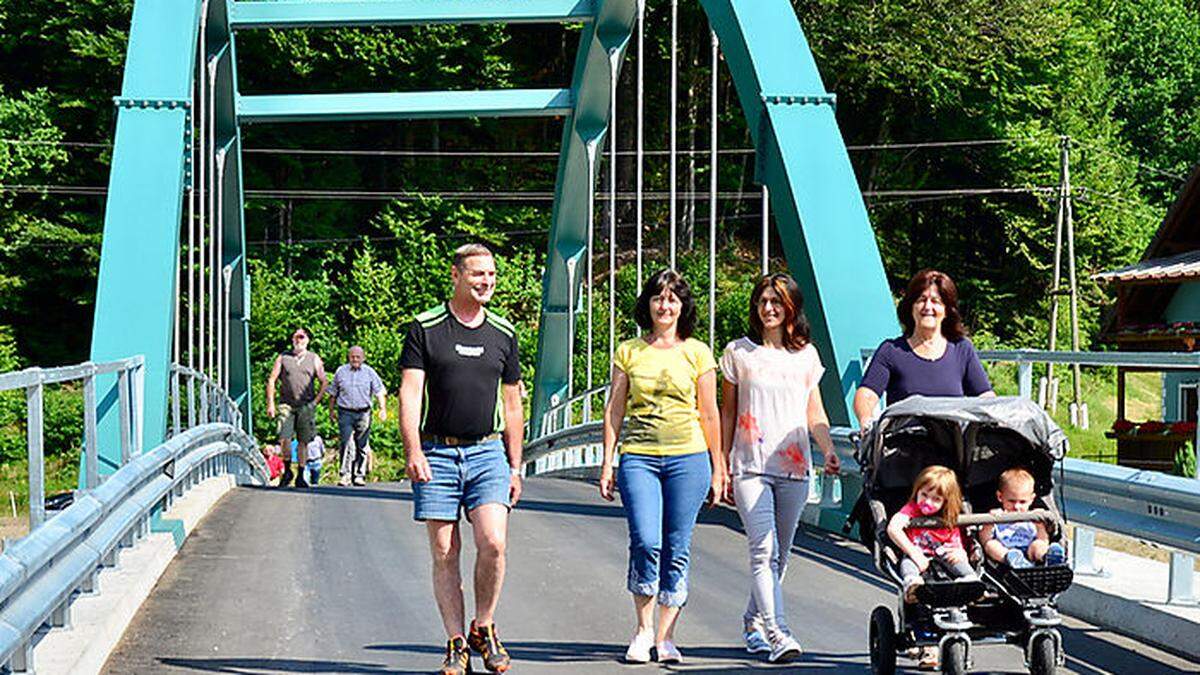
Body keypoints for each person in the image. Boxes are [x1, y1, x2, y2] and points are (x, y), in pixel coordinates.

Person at [400, 243, 523, 675]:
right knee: (444, 549)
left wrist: (515, 464)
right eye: (477, 275)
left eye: (491, 274)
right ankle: (455, 640)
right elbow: (411, 394)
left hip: (488, 450)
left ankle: (483, 626)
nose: (486, 281)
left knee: (493, 542)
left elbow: (512, 405)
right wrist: (413, 449)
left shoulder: (504, 333)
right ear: (456, 276)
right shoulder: (425, 328)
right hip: (437, 450)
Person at [599, 269, 728, 665]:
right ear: (648, 305)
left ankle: (666, 635)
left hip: (689, 458)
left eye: (672, 299)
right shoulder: (629, 351)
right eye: (658, 298)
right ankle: (642, 630)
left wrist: (718, 466)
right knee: (645, 540)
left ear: (682, 306)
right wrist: (608, 461)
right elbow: (614, 409)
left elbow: (709, 414)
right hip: (638, 456)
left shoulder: (698, 352)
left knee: (677, 546)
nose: (664, 305)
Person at [719, 274, 842, 664]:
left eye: (777, 301)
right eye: (763, 301)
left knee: (781, 556)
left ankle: (753, 624)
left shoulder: (806, 355)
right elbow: (727, 412)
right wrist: (719, 464)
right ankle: (778, 633)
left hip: (795, 466)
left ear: (791, 308)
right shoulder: (739, 353)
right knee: (763, 551)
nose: (768, 308)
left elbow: (815, 411)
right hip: (750, 466)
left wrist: (827, 449)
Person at [853, 269, 994, 429]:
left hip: (953, 449)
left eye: (936, 301)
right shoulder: (891, 351)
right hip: (903, 448)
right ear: (911, 307)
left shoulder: (962, 349)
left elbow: (985, 397)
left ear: (947, 310)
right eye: (921, 300)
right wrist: (865, 421)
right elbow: (867, 394)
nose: (928, 307)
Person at [887, 465, 978, 601]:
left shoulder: (949, 514)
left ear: (945, 501)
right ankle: (913, 586)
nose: (927, 502)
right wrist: (913, 552)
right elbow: (893, 528)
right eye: (924, 495)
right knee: (908, 563)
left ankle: (971, 583)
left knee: (958, 560)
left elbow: (957, 537)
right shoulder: (912, 509)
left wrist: (961, 552)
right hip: (918, 552)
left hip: (945, 551)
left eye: (936, 499)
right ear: (917, 491)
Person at [266, 327, 328, 487]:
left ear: (307, 340)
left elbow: (324, 381)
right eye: (295, 337)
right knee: (284, 438)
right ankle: (287, 471)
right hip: (286, 404)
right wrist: (271, 403)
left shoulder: (314, 358)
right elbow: (272, 379)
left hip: (306, 405)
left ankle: (300, 474)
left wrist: (316, 402)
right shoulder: (283, 357)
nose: (298, 340)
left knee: (303, 441)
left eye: (301, 337)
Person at [980, 468, 1066, 568]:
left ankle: (1047, 557)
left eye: (1022, 502)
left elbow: (1043, 539)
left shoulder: (1032, 517)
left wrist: (1039, 526)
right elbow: (985, 539)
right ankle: (1012, 559)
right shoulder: (998, 516)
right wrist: (989, 522)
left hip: (1030, 551)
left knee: (1038, 544)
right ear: (1000, 497)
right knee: (991, 545)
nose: (1016, 507)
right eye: (1011, 501)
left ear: (1031, 499)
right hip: (1006, 551)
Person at [328, 345, 387, 486]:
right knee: (347, 442)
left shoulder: (369, 372)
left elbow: (379, 391)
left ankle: (359, 475)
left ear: (363, 358)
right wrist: (331, 411)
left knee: (362, 444)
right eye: (352, 356)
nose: (355, 359)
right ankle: (345, 475)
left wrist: (382, 408)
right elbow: (333, 393)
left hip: (363, 413)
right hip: (345, 412)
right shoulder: (341, 372)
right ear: (348, 357)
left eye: (358, 357)